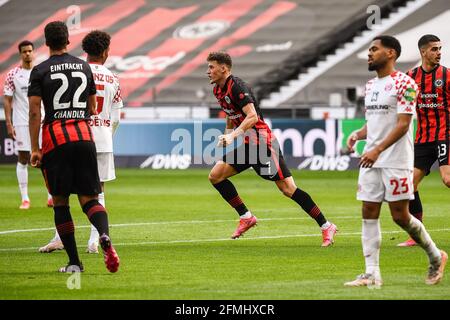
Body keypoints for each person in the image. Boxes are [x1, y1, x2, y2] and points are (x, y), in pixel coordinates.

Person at [344, 35, 447, 287]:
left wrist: (377, 150)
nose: (369, 53)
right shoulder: (370, 86)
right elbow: (375, 122)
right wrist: (358, 134)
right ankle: (371, 273)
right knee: (368, 212)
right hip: (371, 159)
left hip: (396, 161)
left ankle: (436, 256)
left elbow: (403, 124)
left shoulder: (406, 83)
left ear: (391, 53)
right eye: (369, 49)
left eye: (374, 49)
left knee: (400, 216)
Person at [206, 51, 337, 246]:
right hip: (248, 144)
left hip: (262, 144)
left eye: (211, 67)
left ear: (223, 68)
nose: (207, 71)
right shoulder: (217, 89)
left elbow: (252, 117)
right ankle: (246, 217)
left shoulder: (238, 87)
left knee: (287, 189)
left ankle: (326, 226)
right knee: (215, 175)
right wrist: (228, 134)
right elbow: (230, 112)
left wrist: (233, 135)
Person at [28, 21, 119, 273]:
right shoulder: (83, 66)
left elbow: (35, 111)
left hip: (55, 138)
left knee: (60, 202)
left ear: (46, 42)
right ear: (69, 40)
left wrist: (35, 148)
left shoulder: (40, 70)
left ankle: (74, 263)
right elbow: (92, 108)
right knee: (90, 198)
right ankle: (103, 235)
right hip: (84, 137)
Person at [397, 34, 450, 247]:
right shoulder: (410, 77)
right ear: (423, 52)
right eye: (434, 49)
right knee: (409, 185)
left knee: (447, 179)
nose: (439, 52)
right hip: (423, 138)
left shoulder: (447, 76)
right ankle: (417, 235)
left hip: (445, 135)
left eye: (440, 48)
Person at [3, 40, 53, 209]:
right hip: (21, 122)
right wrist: (9, 123)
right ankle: (25, 198)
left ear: (34, 52)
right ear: (20, 54)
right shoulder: (13, 75)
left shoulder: (41, 72)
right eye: (24, 51)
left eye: (30, 51)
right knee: (23, 158)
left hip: (41, 120)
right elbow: (8, 100)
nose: (27, 54)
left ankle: (50, 196)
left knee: (45, 158)